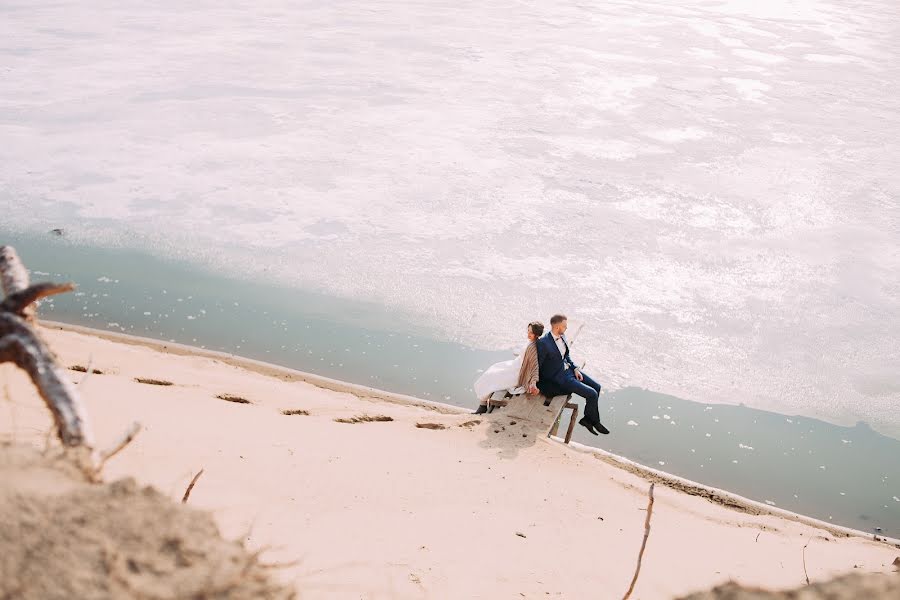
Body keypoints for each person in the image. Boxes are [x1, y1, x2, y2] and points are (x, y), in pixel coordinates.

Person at [535, 314, 609, 435]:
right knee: (592, 394)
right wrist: (537, 384)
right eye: (565, 326)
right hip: (560, 378)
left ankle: (588, 420)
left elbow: (566, 356)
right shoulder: (543, 343)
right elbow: (538, 365)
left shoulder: (562, 336)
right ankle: (593, 421)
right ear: (558, 327)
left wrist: (575, 368)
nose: (566, 328)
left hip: (569, 370)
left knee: (597, 387)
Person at [472, 321, 543, 414]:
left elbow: (534, 366)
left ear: (537, 334)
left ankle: (483, 405)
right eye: (528, 331)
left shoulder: (533, 347)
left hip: (517, 373)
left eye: (531, 332)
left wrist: (533, 382)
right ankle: (483, 403)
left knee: (492, 376)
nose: (528, 334)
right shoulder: (530, 342)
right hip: (514, 366)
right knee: (493, 369)